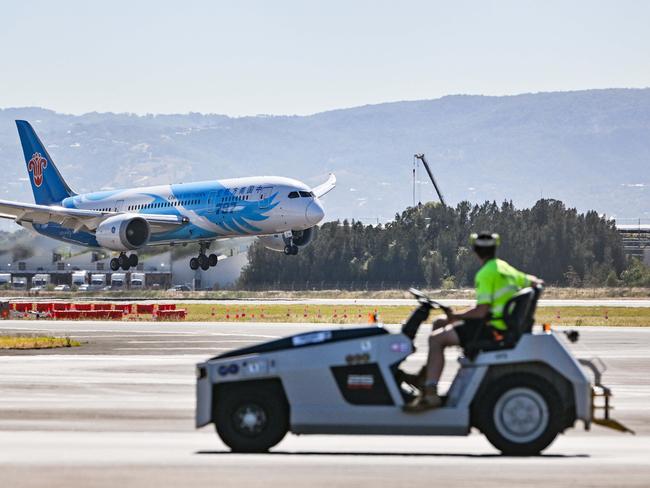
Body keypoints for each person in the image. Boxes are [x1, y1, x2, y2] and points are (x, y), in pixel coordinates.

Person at [403, 232, 543, 413]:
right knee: (439, 322)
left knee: (435, 340)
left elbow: (481, 311)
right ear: (494, 249)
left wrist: (457, 317)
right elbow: (534, 281)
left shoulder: (485, 274)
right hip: (499, 324)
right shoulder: (504, 267)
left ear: (475, 250)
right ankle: (424, 378)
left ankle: (430, 394)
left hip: (490, 328)